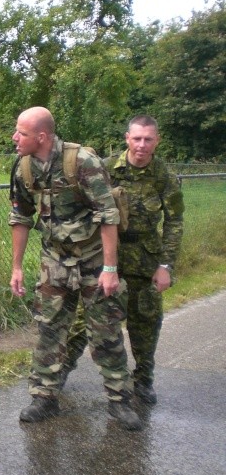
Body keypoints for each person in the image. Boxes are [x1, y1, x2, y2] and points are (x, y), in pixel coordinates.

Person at [8, 106, 142, 431]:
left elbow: (108, 214)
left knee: (105, 333)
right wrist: (16, 268)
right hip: (55, 259)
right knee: (49, 329)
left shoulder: (82, 162)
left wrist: (110, 268)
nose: (14, 138)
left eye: (21, 133)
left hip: (94, 259)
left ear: (42, 136)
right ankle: (44, 397)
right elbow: (21, 217)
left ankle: (120, 401)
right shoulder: (24, 168)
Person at [61, 115, 184, 404]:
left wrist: (165, 266)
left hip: (145, 262)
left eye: (148, 139)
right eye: (137, 138)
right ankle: (56, 375)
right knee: (84, 322)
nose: (142, 145)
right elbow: (82, 209)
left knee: (145, 322)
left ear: (157, 141)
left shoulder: (164, 176)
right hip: (104, 261)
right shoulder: (105, 169)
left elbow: (175, 222)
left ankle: (143, 380)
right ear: (127, 138)